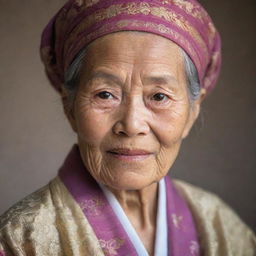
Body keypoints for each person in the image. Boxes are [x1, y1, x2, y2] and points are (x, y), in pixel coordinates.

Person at [0, 0, 255, 255]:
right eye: (105, 94)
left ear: (191, 113)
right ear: (70, 108)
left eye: (159, 96)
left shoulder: (222, 228)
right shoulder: (20, 240)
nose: (132, 125)